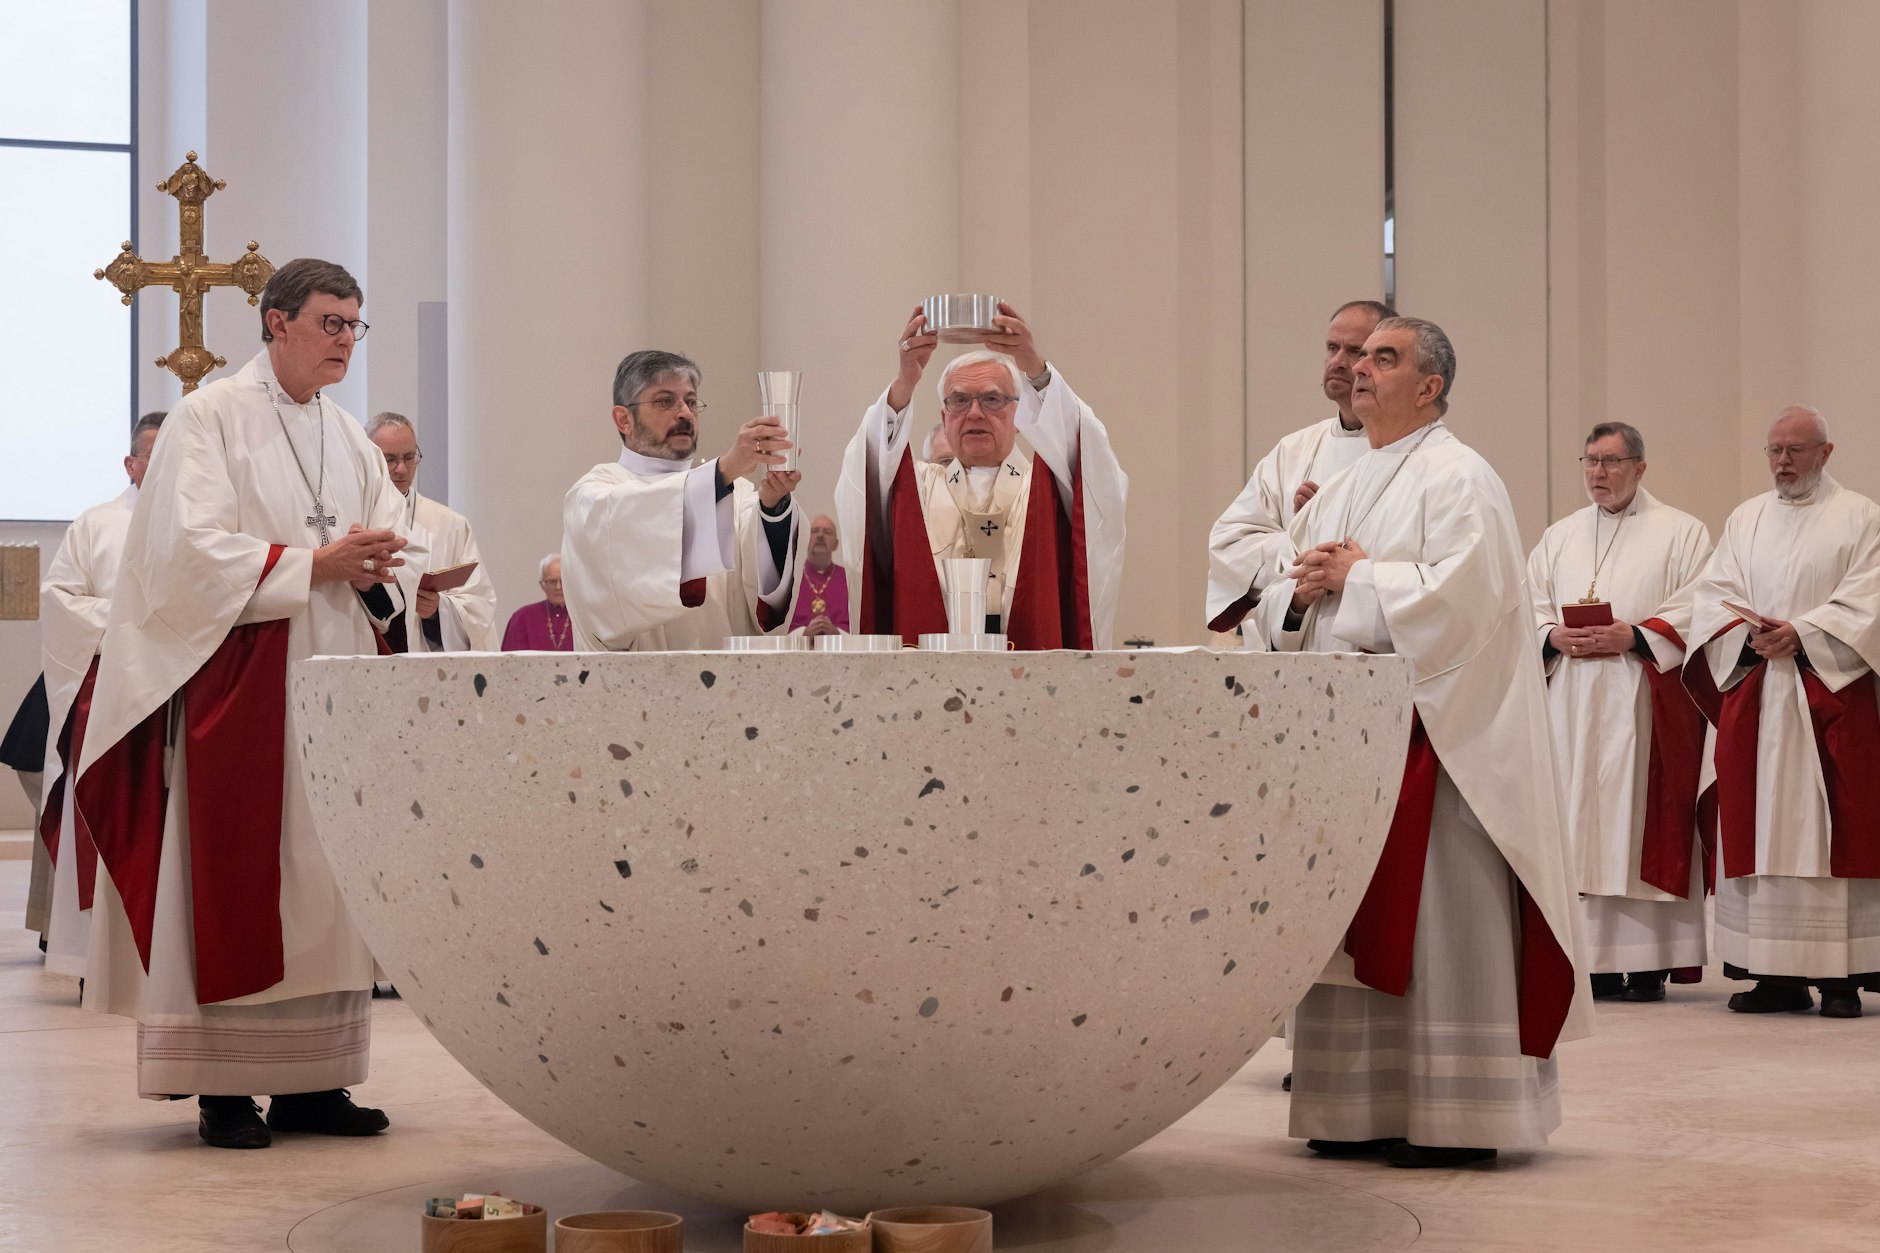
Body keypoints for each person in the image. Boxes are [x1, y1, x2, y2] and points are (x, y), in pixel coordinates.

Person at [74, 258, 411, 1148]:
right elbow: (185, 553)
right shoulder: (209, 417)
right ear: (276, 322)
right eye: (331, 322)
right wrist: (312, 565)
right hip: (242, 679)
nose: (345, 339)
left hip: (335, 683)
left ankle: (315, 1084)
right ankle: (224, 1089)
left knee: (328, 877)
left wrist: (377, 568)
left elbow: (387, 548)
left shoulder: (349, 437)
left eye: (353, 325)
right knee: (237, 872)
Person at [1250, 316, 1590, 1167]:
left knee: (1442, 917)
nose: (1358, 369)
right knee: (1355, 922)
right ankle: (1357, 1106)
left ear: (1430, 386)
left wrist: (1357, 578)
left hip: (1444, 746)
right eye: (1359, 356)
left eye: (1382, 358)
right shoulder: (1344, 479)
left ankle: (1457, 1117)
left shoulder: (1459, 475)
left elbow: (1467, 605)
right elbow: (1283, 593)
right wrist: (1302, 594)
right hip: (1352, 746)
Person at [1682, 405, 1880, 1018]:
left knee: (1839, 825)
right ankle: (1775, 974)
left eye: (1795, 450)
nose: (1782, 462)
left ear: (1826, 452)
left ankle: (1841, 977)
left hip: (1829, 694)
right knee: (1758, 823)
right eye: (1773, 451)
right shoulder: (1746, 518)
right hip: (1760, 690)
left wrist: (1806, 633)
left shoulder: (1862, 516)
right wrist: (1750, 634)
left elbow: (1869, 597)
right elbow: (1714, 593)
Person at [1528, 422, 1712, 1003]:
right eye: (1590, 462)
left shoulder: (1683, 532)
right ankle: (1592, 964)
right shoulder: (1558, 537)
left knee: (1636, 819)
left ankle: (1650, 963)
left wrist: (1634, 635)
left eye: (1611, 462)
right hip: (1572, 705)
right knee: (1577, 821)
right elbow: (1524, 605)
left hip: (1642, 701)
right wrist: (1551, 635)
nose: (1598, 474)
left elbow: (1699, 605)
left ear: (1640, 467)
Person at [836, 303, 1127, 647]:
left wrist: (1034, 368)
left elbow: (1095, 471)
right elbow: (866, 477)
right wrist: (904, 384)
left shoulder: (1046, 491)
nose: (974, 413)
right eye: (958, 401)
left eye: (992, 399)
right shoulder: (919, 489)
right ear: (944, 420)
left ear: (1021, 416)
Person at [35, 411, 165, 977]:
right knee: (102, 811)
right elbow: (60, 600)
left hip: (177, 696)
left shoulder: (206, 526)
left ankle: (167, 950)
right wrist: (125, 622)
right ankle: (93, 950)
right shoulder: (97, 525)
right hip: (109, 691)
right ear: (131, 464)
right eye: (153, 455)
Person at [562, 350, 806, 649]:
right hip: (633, 688)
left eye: (691, 402)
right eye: (665, 401)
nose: (685, 413)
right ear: (623, 419)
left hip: (727, 685)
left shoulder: (736, 492)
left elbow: (765, 607)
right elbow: (627, 523)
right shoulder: (593, 493)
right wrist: (723, 470)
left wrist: (772, 506)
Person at [1207, 300, 1394, 633]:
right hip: (1299, 636)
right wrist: (1302, 536)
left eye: (1354, 351)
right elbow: (1228, 546)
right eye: (1332, 348)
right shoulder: (1293, 451)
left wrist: (1323, 530)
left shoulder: (1411, 455)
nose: (1338, 361)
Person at [367, 412, 499, 651]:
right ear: (368, 457)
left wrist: (438, 610)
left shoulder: (450, 524)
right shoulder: (354, 517)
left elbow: (480, 605)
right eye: (390, 459)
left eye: (409, 458)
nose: (402, 469)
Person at [790, 515, 850, 638]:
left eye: (827, 532)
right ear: (803, 539)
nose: (820, 536)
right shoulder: (789, 581)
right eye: (814, 531)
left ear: (836, 544)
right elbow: (777, 628)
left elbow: (859, 626)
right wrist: (803, 634)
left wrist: (836, 634)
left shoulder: (850, 580)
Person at [501, 554, 575, 650]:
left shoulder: (583, 618)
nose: (558, 587)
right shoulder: (522, 618)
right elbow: (509, 661)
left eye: (563, 581)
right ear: (542, 585)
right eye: (551, 581)